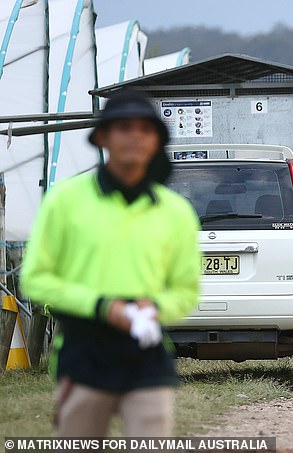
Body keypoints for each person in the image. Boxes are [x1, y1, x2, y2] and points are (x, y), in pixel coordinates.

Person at [20, 90, 200, 436]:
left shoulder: (176, 212)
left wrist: (155, 306)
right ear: (103, 136)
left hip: (147, 357)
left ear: (156, 141)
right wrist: (103, 306)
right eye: (123, 127)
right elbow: (37, 280)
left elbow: (186, 291)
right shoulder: (65, 201)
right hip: (82, 355)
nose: (135, 136)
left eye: (145, 130)